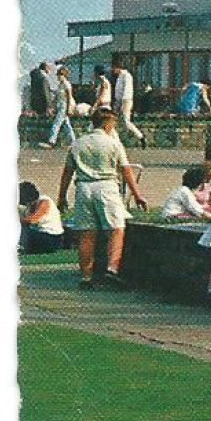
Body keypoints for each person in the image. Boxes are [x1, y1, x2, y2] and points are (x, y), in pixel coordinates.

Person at [57, 109, 149, 289]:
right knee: (116, 228)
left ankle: (86, 276)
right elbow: (126, 170)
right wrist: (137, 194)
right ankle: (112, 268)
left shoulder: (78, 144)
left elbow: (67, 172)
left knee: (87, 233)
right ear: (107, 123)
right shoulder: (113, 144)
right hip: (106, 186)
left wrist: (61, 196)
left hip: (83, 187)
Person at [18, 181, 68, 254]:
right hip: (38, 234)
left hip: (51, 237)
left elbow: (33, 220)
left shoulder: (44, 202)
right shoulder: (27, 207)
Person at [110, 58, 146, 147]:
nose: (113, 70)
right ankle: (115, 141)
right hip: (118, 101)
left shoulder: (126, 76)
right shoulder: (119, 76)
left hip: (125, 100)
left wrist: (123, 104)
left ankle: (141, 137)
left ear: (118, 68)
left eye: (114, 68)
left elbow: (127, 90)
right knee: (112, 120)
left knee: (126, 121)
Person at [43, 65, 77, 148]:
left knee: (57, 123)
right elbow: (57, 96)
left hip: (65, 105)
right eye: (58, 74)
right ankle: (74, 142)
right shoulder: (60, 85)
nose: (59, 76)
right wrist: (52, 106)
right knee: (67, 125)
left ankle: (51, 141)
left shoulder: (66, 84)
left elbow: (69, 97)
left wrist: (69, 109)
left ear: (64, 75)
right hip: (60, 105)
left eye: (61, 74)